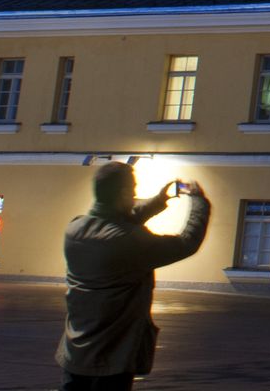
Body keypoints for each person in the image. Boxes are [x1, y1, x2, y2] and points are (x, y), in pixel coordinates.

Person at [55, 162, 211, 391]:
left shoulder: (75, 229)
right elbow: (186, 243)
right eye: (134, 190)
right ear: (124, 193)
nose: (136, 195)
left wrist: (159, 201)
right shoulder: (127, 241)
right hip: (111, 357)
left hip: (75, 352)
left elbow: (117, 220)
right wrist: (200, 202)